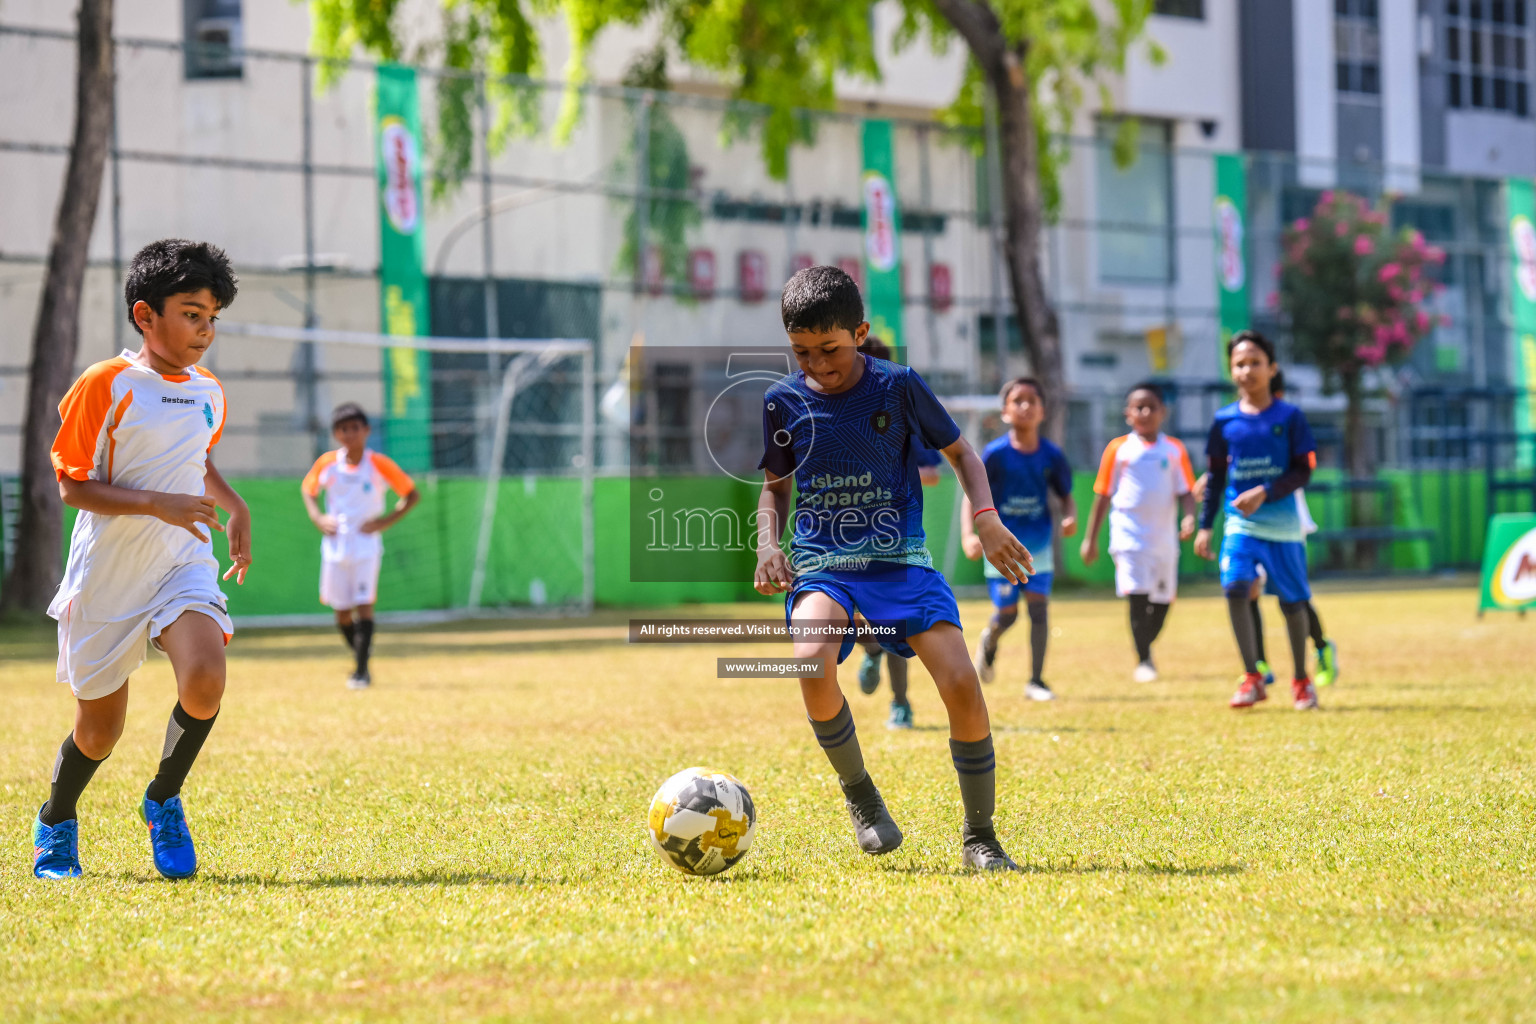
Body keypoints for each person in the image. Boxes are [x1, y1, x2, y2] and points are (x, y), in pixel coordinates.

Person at [755, 265, 1033, 871]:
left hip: (901, 563)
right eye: (802, 352)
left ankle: (980, 838)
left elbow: (961, 453)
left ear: (859, 332)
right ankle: (861, 796)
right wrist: (767, 544)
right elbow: (776, 489)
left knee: (961, 682)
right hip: (823, 563)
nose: (819, 365)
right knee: (809, 661)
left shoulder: (899, 386)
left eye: (830, 349)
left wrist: (984, 517)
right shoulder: (782, 400)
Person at [31, 239, 250, 881]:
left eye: (211, 317)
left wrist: (234, 506)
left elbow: (198, 461)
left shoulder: (209, 391)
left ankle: (162, 799)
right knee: (99, 732)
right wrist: (157, 503)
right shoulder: (106, 384)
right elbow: (72, 486)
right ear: (145, 315)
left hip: (181, 562)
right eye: (191, 313)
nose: (204, 331)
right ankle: (57, 819)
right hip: (107, 573)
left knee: (206, 678)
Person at [1194, 330, 1321, 710]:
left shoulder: (1290, 417)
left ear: (1272, 368)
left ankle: (1301, 680)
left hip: (1283, 526)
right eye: (1239, 363)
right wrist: (1204, 526)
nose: (1247, 370)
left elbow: (1304, 471)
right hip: (1240, 524)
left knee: (1292, 602)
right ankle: (1252, 676)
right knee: (1235, 587)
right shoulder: (1224, 421)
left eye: (1254, 362)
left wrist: (1266, 491)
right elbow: (1215, 477)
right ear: (1231, 370)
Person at [960, 377, 1076, 701]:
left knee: (1039, 611)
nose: (1025, 406)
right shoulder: (995, 454)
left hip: (1038, 547)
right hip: (1000, 549)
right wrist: (969, 534)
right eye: (1018, 401)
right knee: (1007, 614)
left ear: (1043, 410)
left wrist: (1070, 516)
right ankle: (990, 639)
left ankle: (1036, 681)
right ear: (1005, 411)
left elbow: (1065, 496)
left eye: (1032, 401)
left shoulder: (1051, 455)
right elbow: (972, 493)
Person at [851, 335, 942, 729]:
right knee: (846, 616)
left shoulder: (901, 412)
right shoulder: (830, 413)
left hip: (893, 535)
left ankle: (900, 703)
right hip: (842, 534)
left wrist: (905, 472)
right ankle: (870, 650)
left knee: (896, 622)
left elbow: (933, 470)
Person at [1079, 382, 1197, 682]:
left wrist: (1190, 518)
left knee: (1161, 604)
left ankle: (1146, 646)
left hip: (1164, 541)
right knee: (1137, 598)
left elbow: (1186, 490)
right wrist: (1090, 539)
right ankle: (1144, 660)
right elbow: (1103, 495)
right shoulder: (1118, 449)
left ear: (1162, 412)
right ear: (1128, 414)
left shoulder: (1174, 449)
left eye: (1151, 407)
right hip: (1129, 537)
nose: (1144, 412)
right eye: (1138, 407)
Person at [301, 403, 420, 689]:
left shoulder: (378, 463)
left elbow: (411, 494)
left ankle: (361, 671)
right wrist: (318, 517)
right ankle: (361, 653)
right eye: (343, 429)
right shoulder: (327, 463)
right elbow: (308, 490)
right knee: (341, 611)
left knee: (364, 606)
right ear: (336, 434)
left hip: (366, 546)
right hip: (335, 546)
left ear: (366, 430)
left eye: (355, 428)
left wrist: (384, 522)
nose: (350, 434)